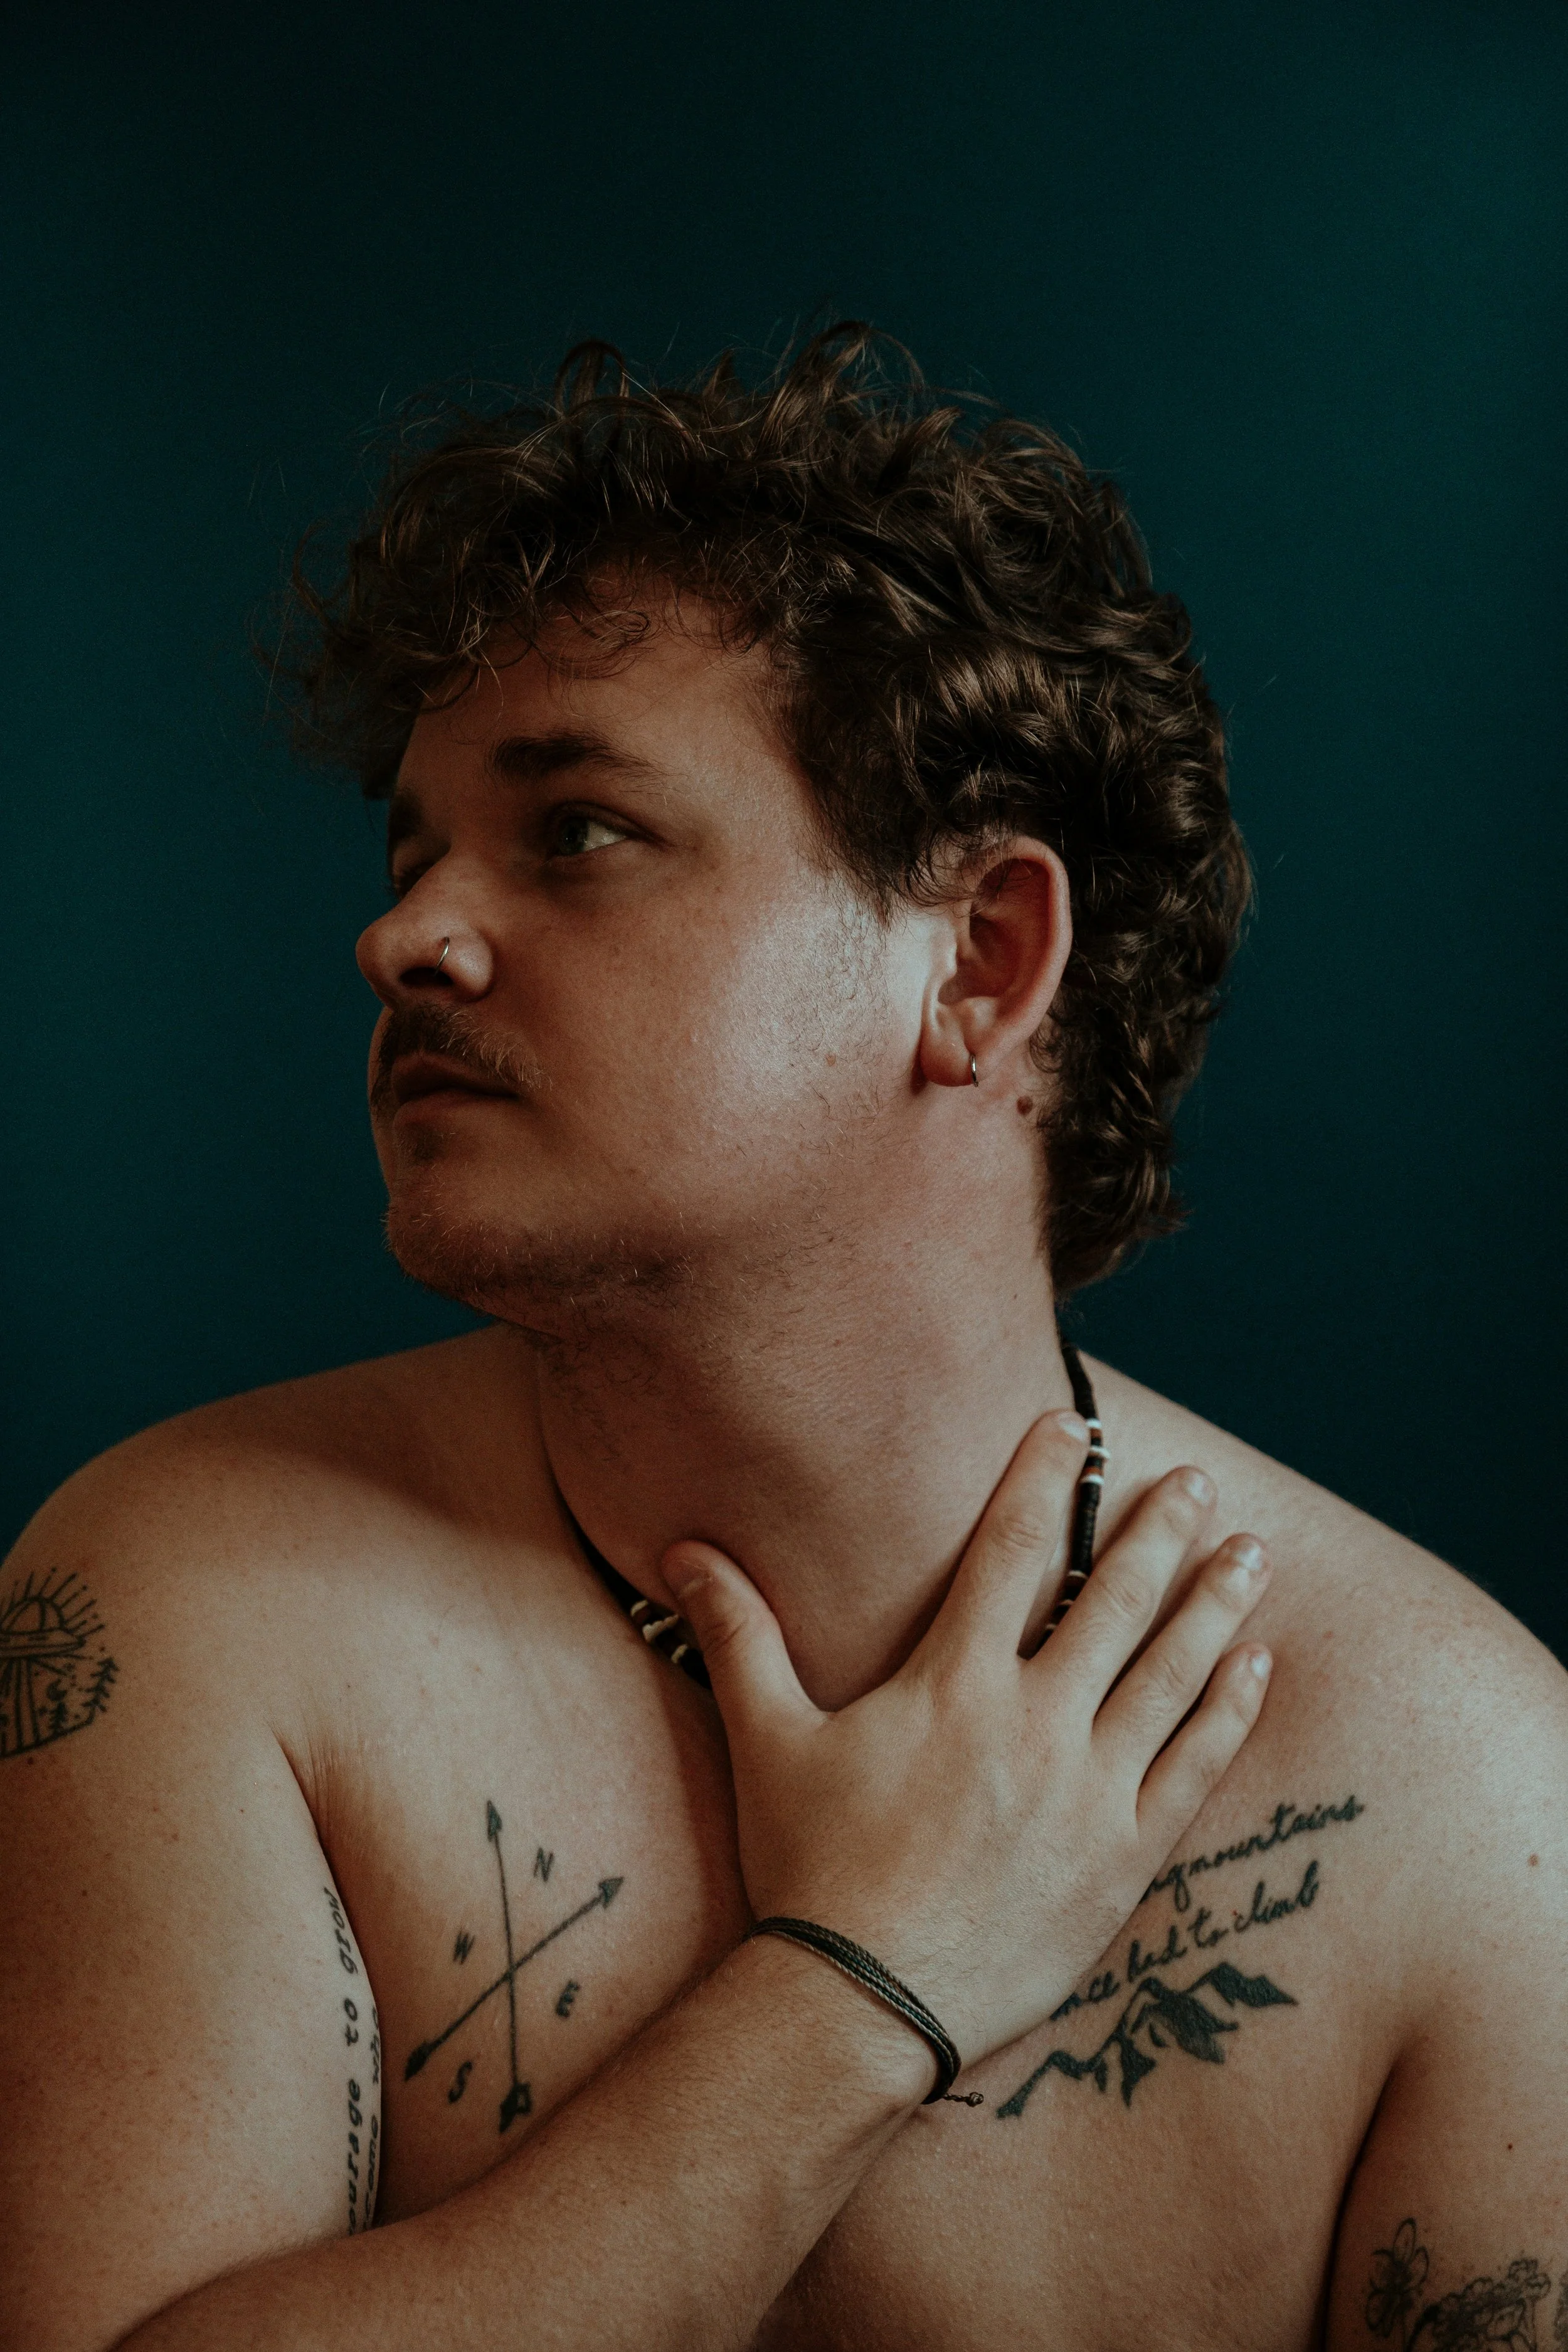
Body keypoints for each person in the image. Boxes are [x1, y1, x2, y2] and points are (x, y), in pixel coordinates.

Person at [3, 329, 1564, 2352]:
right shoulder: (190, 1603)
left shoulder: (1465, 1799)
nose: (404, 938)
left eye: (575, 832)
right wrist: (856, 1982)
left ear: (978, 961)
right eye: (413, 853)